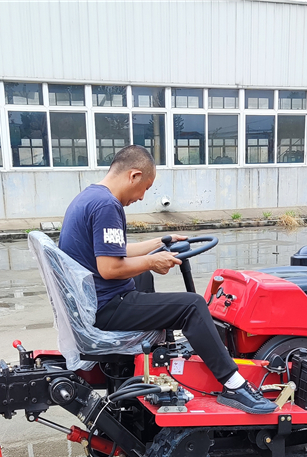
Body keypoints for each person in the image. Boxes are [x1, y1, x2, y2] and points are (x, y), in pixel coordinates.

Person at [57, 145, 275, 415]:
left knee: (143, 275)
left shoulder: (90, 197)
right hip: (105, 306)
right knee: (193, 306)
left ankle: (155, 359)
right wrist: (152, 261)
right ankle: (234, 385)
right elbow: (110, 268)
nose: (142, 197)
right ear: (134, 176)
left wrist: (160, 243)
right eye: (145, 188)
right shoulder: (107, 205)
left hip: (94, 301)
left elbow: (115, 251)